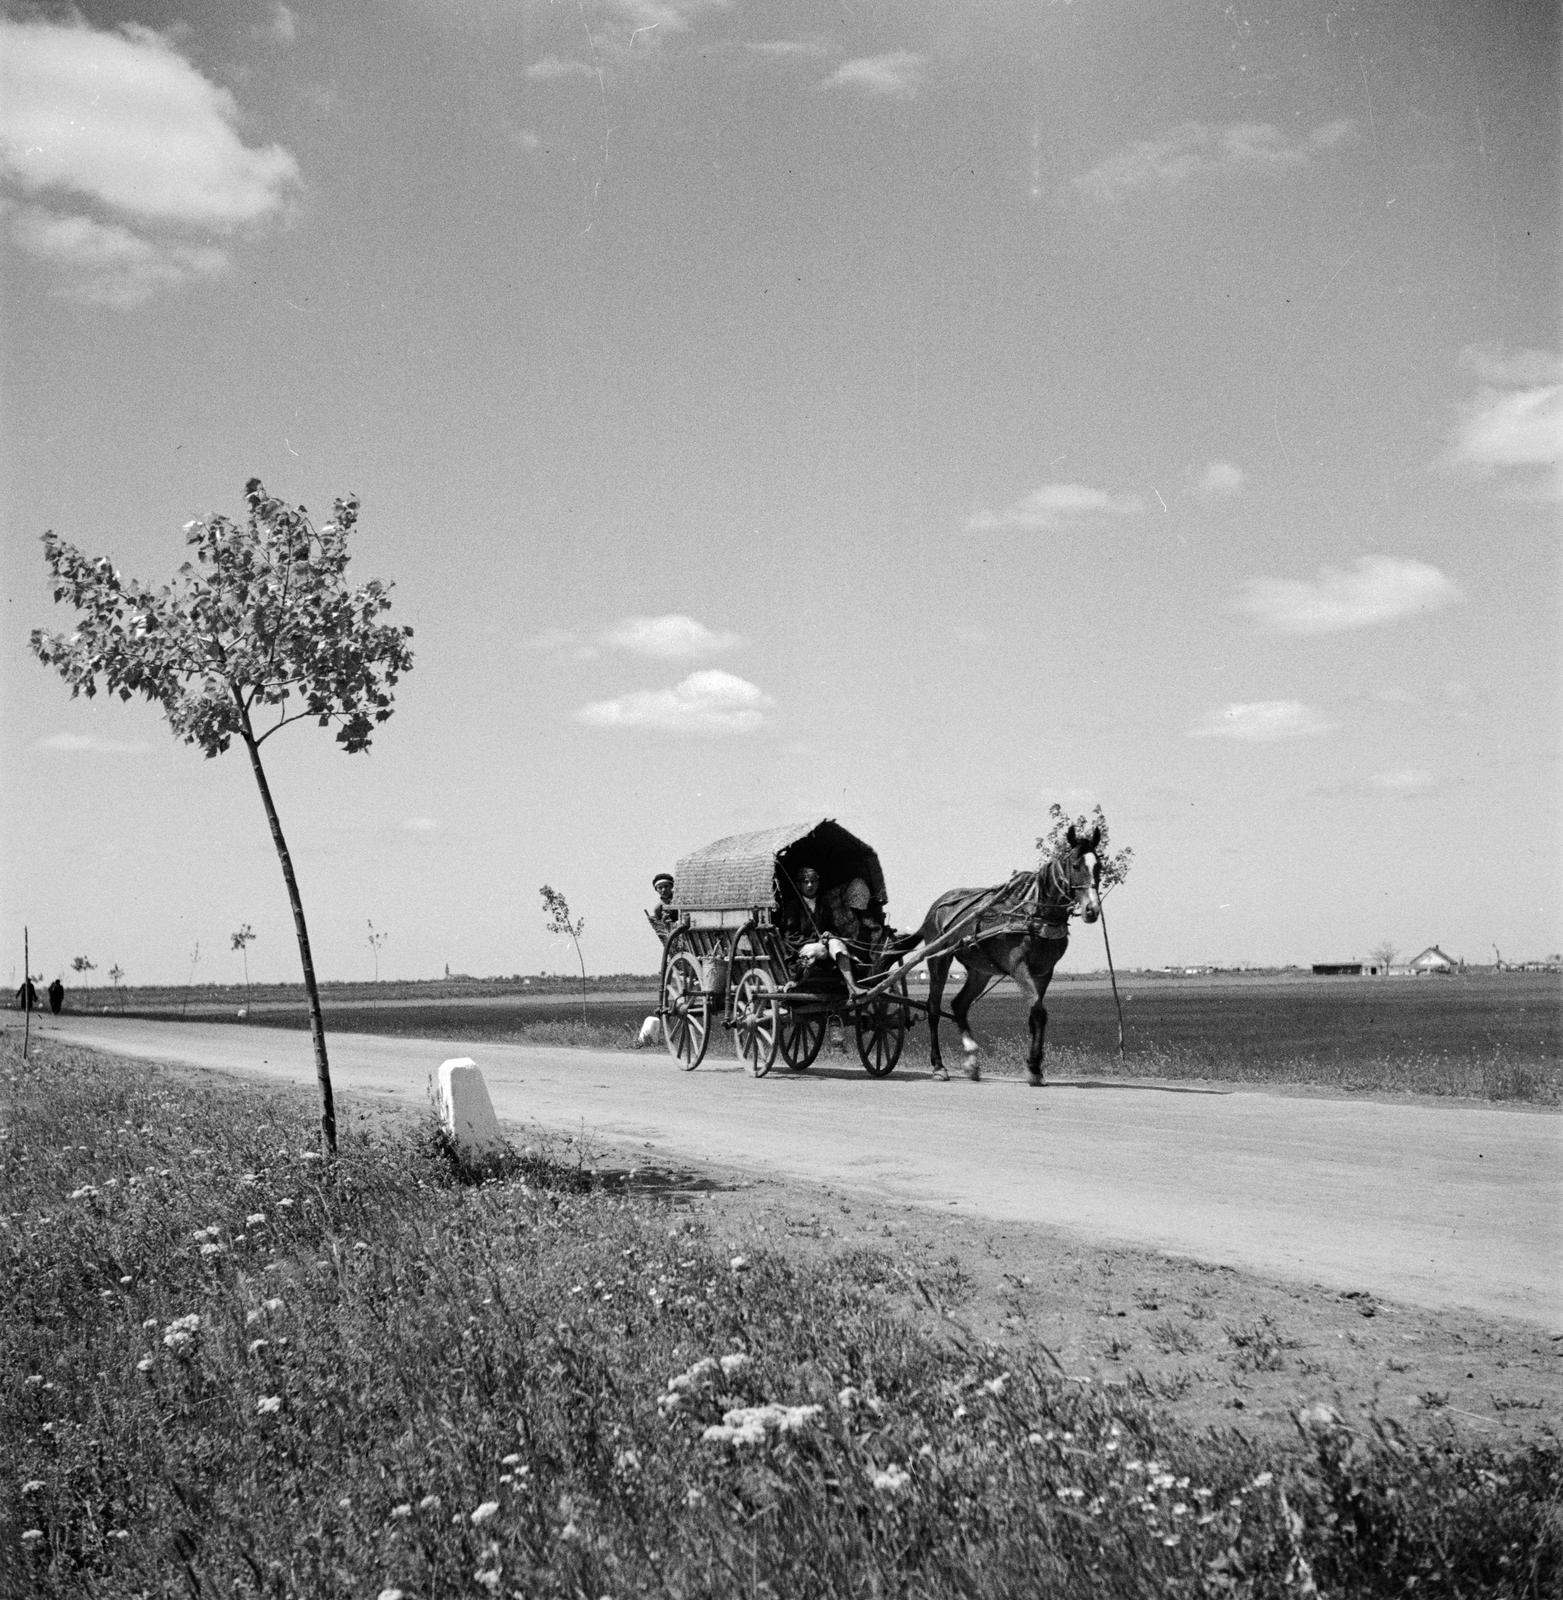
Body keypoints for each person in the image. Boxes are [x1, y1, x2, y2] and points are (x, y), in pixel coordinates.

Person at [779, 865, 861, 993]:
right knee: (820, 949)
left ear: (818, 883)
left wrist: (829, 934)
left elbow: (831, 927)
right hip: (800, 950)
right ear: (799, 885)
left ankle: (852, 987)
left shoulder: (824, 905)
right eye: (806, 882)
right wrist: (816, 941)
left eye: (813, 882)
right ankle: (797, 981)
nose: (810, 885)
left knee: (837, 943)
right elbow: (790, 936)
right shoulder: (793, 906)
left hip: (823, 948)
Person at [647, 872, 680, 942]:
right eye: (660, 887)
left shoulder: (682, 900)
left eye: (666, 886)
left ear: (672, 886)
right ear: (656, 890)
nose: (663, 890)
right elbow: (662, 930)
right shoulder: (658, 909)